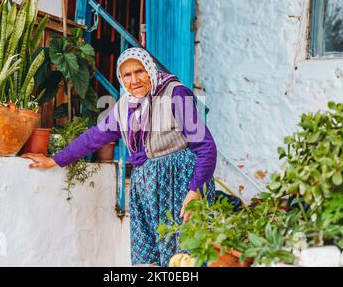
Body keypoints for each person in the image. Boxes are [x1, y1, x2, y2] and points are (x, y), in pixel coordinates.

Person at [22, 48, 217, 266]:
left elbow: (206, 147)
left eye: (139, 71)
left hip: (179, 186)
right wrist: (55, 160)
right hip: (147, 193)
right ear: (121, 79)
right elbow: (93, 137)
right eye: (127, 75)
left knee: (185, 257)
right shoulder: (125, 107)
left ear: (150, 70)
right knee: (151, 260)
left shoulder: (175, 94)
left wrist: (195, 191)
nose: (134, 80)